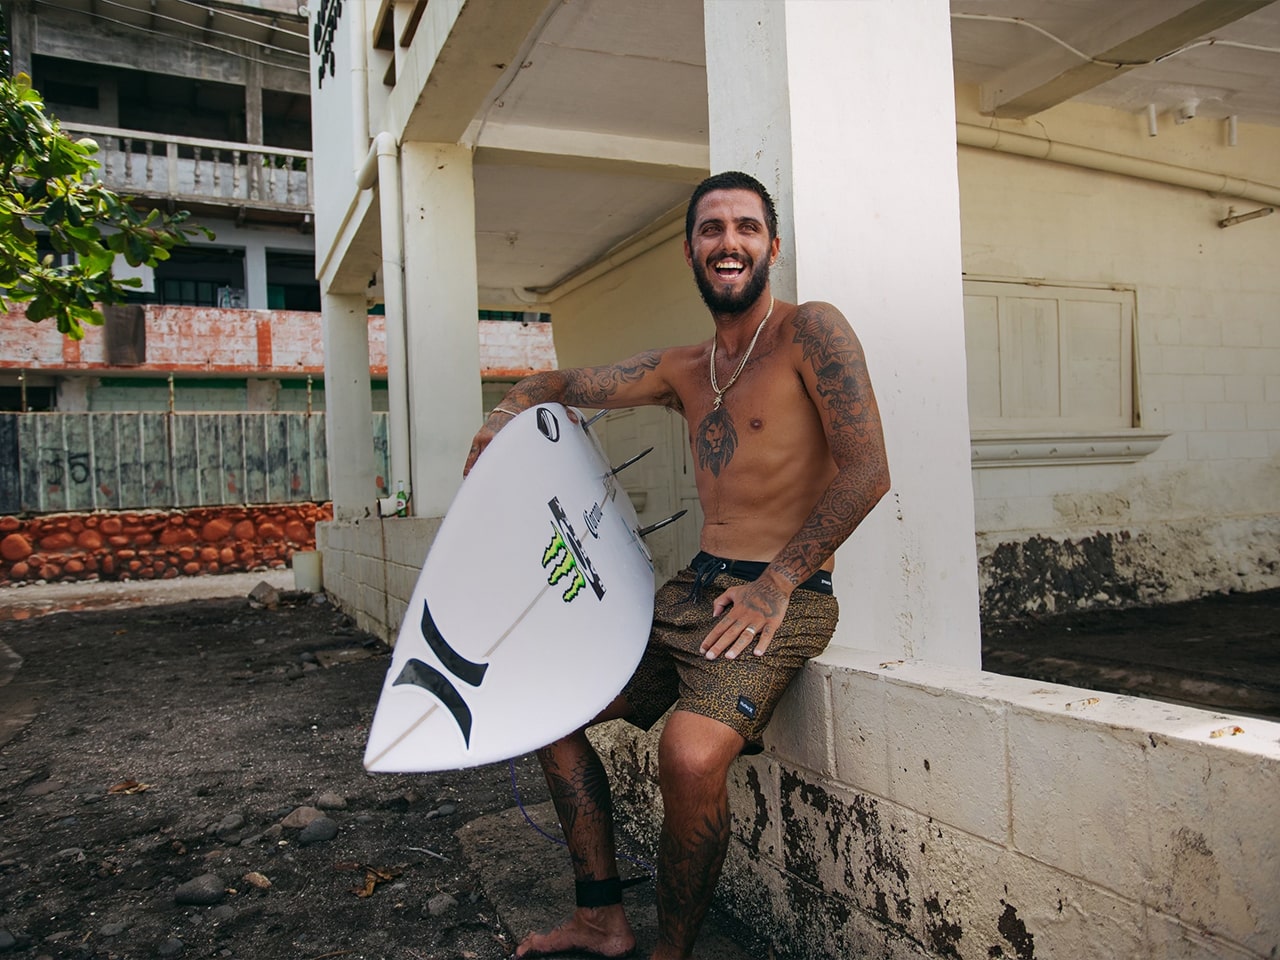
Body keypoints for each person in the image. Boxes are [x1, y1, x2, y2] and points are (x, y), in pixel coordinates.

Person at [464, 170, 890, 960]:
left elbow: (868, 471)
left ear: (772, 247)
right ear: (691, 251)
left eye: (746, 227)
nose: (729, 242)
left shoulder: (812, 331)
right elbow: (559, 382)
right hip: (692, 590)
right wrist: (503, 415)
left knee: (688, 757)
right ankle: (602, 918)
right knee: (546, 709)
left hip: (783, 597)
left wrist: (777, 582)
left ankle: (674, 950)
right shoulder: (684, 368)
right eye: (711, 228)